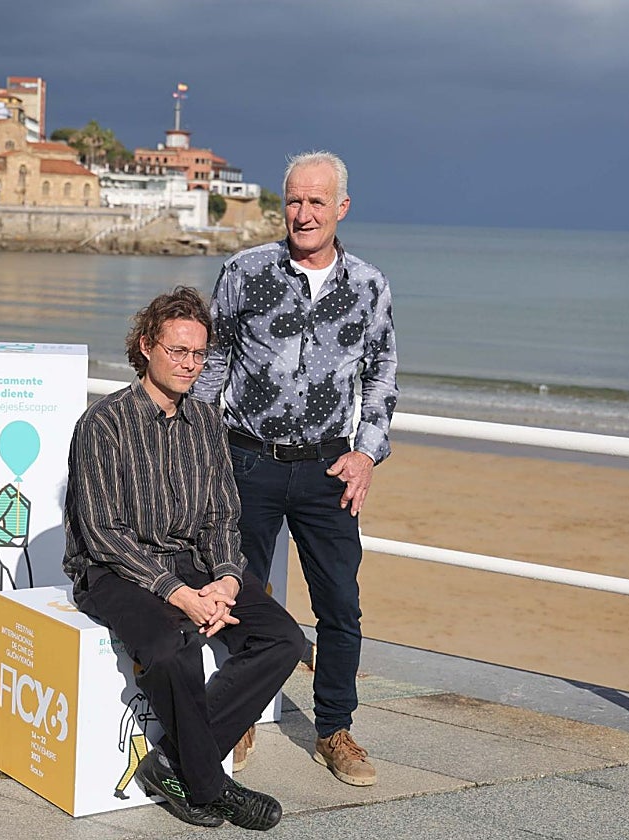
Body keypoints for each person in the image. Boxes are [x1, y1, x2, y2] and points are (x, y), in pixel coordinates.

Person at [191, 151, 399, 787]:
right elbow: (215, 362)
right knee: (239, 594)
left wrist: (367, 452)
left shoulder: (369, 286)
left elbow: (382, 374)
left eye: (317, 202)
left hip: (328, 470)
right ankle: (242, 710)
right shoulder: (243, 271)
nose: (304, 214)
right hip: (244, 459)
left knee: (339, 603)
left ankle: (335, 728)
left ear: (341, 208)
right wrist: (197, 446)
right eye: (294, 202)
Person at [63, 286, 305, 830]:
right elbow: (101, 531)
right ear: (147, 346)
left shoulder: (208, 424)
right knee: (173, 650)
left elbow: (222, 515)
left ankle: (171, 763)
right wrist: (176, 595)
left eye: (198, 354)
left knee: (284, 639)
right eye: (178, 351)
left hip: (194, 561)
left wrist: (223, 582)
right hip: (116, 569)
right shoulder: (102, 424)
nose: (190, 365)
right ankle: (211, 784)